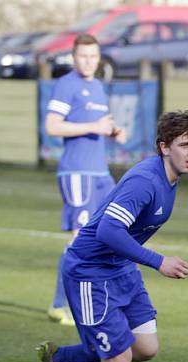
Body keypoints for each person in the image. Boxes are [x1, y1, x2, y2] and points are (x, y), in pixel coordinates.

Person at [35, 110, 188, 362]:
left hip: (120, 269)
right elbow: (109, 230)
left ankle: (56, 358)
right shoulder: (146, 181)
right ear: (163, 147)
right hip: (90, 272)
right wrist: (159, 262)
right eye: (184, 144)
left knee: (145, 348)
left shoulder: (170, 178)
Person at [46, 33, 127, 327]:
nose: (89, 62)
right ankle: (59, 305)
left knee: (115, 231)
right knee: (79, 240)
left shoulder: (98, 88)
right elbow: (52, 126)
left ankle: (109, 299)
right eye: (83, 56)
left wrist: (115, 131)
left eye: (93, 56)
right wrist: (93, 125)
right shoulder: (66, 85)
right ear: (73, 57)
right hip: (77, 172)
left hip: (100, 173)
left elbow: (101, 125)